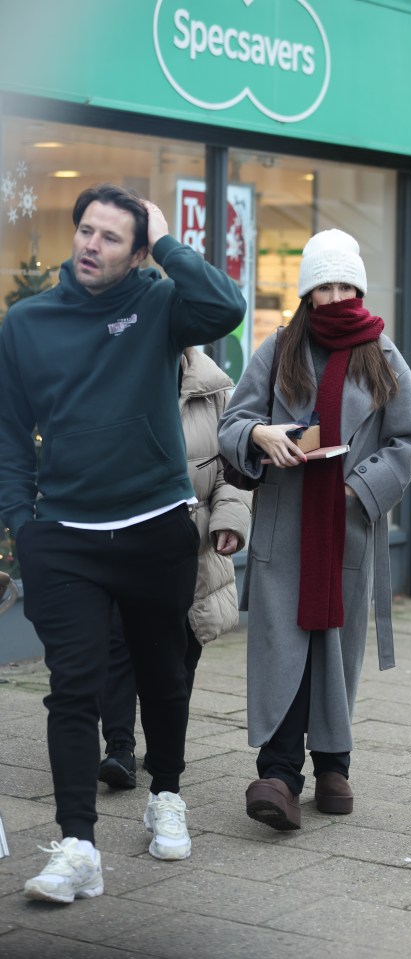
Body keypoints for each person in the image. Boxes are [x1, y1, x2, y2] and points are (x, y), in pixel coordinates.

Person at [0, 183, 245, 903]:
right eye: (85, 230)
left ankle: (167, 790)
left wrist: (167, 242)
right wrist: (24, 526)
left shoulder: (160, 303)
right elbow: (11, 431)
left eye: (110, 236)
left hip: (155, 526)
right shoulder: (27, 322)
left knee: (164, 672)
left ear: (138, 252)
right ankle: (78, 845)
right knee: (72, 686)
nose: (88, 244)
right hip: (65, 536)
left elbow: (226, 307)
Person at [218, 229, 411, 831]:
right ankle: (279, 775)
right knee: (284, 646)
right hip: (285, 528)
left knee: (334, 649)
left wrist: (356, 488)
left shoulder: (383, 355)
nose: (335, 297)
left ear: (358, 288)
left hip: (347, 528)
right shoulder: (279, 347)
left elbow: (409, 441)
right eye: (323, 286)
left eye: (345, 285)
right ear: (307, 292)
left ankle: (333, 764)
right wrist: (261, 437)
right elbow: (235, 420)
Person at [98, 347, 251, 789]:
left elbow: (234, 470)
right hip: (125, 536)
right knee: (119, 642)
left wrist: (229, 521)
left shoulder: (217, 389)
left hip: (193, 542)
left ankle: (165, 751)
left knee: (183, 649)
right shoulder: (116, 375)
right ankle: (119, 749)